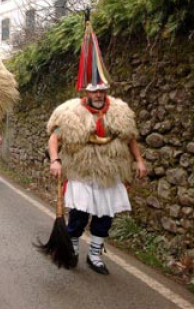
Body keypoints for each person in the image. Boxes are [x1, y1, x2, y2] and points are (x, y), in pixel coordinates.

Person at [47, 82, 147, 275]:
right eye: (95, 91)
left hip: (110, 173)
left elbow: (131, 138)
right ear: (87, 92)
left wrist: (139, 160)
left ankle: (95, 255)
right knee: (79, 214)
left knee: (105, 216)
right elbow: (54, 138)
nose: (99, 95)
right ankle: (73, 249)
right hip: (81, 171)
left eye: (102, 91)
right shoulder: (71, 112)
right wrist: (55, 160)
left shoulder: (120, 111)